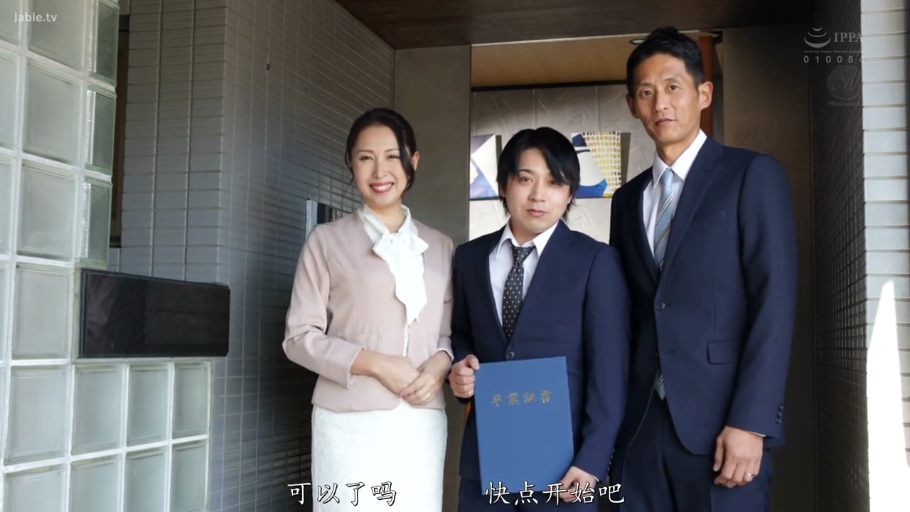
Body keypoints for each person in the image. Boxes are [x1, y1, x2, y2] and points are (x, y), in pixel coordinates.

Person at [607, 27, 799, 512]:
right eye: (646, 92)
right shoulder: (626, 200)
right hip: (640, 428)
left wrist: (752, 421)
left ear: (704, 93)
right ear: (631, 104)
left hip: (724, 427)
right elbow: (627, 312)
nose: (660, 104)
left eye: (673, 87)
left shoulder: (750, 175)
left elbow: (774, 303)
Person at [447, 127, 631, 510]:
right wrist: (461, 365)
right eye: (525, 179)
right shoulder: (469, 258)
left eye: (554, 182)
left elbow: (609, 370)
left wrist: (592, 461)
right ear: (503, 185)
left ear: (570, 193)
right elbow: (462, 333)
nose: (538, 195)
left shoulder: (595, 261)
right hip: (487, 464)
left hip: (566, 469)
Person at [281, 107, 454, 511]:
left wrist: (440, 364)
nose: (380, 171)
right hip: (348, 422)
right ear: (351, 163)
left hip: (421, 420)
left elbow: (448, 332)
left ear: (413, 161)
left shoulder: (440, 245)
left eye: (392, 156)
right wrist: (376, 363)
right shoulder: (326, 241)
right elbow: (299, 338)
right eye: (365, 158)